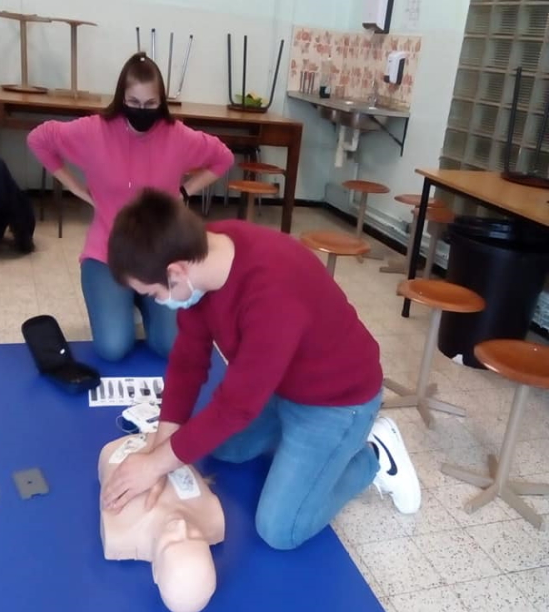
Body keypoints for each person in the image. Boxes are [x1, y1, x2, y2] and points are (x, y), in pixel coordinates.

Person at [101, 190, 421, 551]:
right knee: (222, 449)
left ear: (176, 273)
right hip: (280, 387)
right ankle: (301, 447)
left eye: (153, 294)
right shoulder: (202, 253)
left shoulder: (271, 292)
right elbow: (188, 363)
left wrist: (155, 465)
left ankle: (373, 455)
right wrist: (158, 455)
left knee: (280, 529)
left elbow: (235, 408)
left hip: (337, 402)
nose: (157, 302)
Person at [27, 53, 234, 361]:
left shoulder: (177, 136)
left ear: (161, 102)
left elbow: (223, 158)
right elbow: (39, 139)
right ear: (121, 98)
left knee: (171, 346)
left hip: (159, 254)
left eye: (150, 104)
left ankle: (140, 301)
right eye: (134, 102)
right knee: (113, 348)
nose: (141, 111)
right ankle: (123, 300)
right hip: (106, 254)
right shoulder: (93, 131)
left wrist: (184, 191)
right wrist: (75, 188)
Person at [99, 433, 225, 612]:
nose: (181, 525)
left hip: (120, 449)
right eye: (195, 537)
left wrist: (156, 461)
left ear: (156, 571)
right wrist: (157, 461)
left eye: (172, 542)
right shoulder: (212, 515)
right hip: (174, 439)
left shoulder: (118, 531)